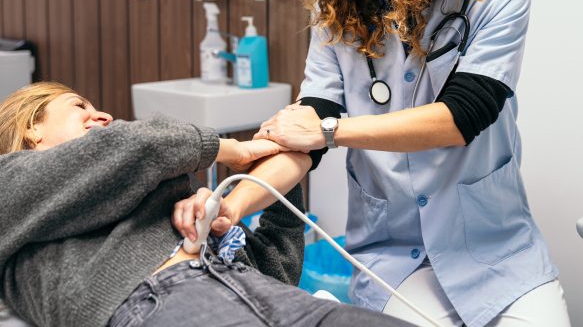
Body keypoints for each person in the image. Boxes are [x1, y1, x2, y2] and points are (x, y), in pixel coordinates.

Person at [252, 0, 572, 327]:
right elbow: (307, 131)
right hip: (392, 257)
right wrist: (229, 206)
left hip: (495, 253)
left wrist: (331, 132)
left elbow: (462, 116)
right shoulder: (335, 12)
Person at [0, 82, 413, 327]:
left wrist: (269, 182)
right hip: (153, 300)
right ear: (32, 126)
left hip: (251, 289)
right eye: (79, 106)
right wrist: (233, 149)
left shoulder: (146, 192)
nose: (103, 114)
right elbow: (138, 144)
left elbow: (278, 270)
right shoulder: (10, 184)